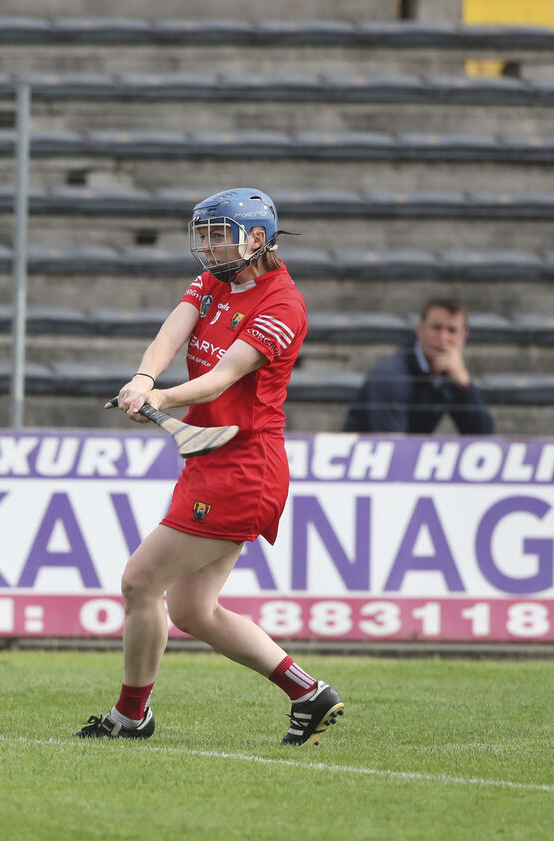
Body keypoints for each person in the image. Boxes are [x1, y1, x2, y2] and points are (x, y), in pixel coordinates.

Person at [73, 188, 344, 747]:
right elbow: (171, 333)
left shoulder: (282, 305)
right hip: (210, 456)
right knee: (193, 608)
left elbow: (223, 378)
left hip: (244, 466)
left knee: (140, 581)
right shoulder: (215, 282)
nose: (209, 246)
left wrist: (161, 400)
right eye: (205, 235)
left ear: (258, 239)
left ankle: (131, 716)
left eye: (220, 235)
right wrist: (144, 378)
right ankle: (307, 693)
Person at [341, 298, 494, 434]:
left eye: (452, 330)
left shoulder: (453, 375)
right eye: (436, 328)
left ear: (463, 337)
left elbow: (483, 437)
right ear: (420, 329)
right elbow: (391, 448)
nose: (443, 338)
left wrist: (465, 384)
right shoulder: (390, 376)